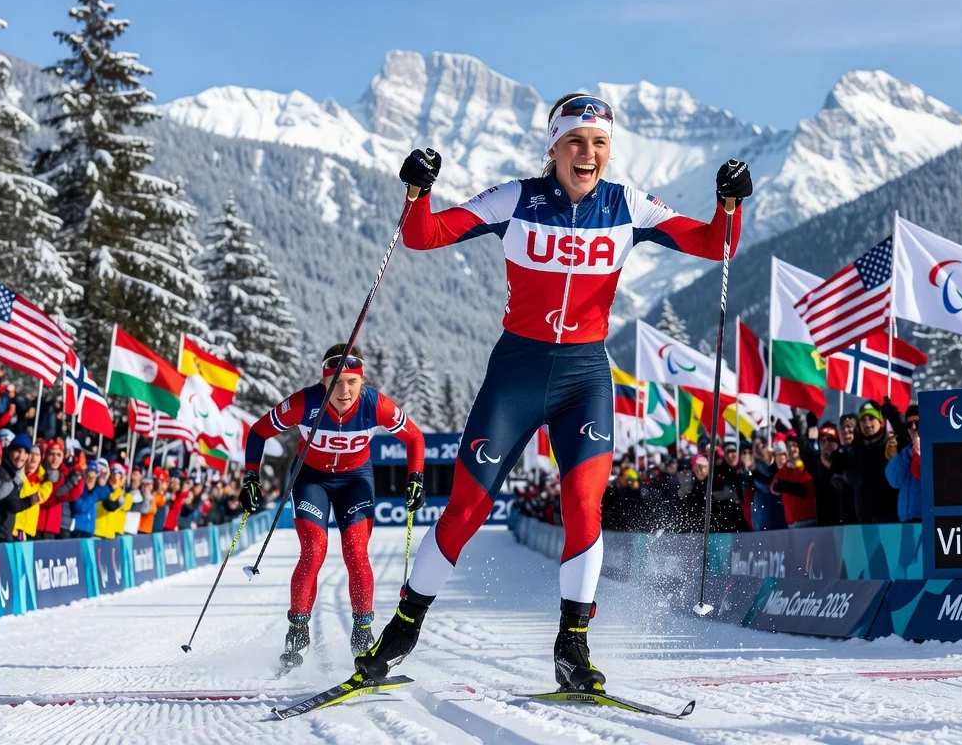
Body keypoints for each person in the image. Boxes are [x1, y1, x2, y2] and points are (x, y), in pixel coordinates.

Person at [353, 93, 755, 693]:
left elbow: (714, 244)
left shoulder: (628, 205)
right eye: (574, 142)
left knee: (584, 508)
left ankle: (573, 646)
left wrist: (729, 204)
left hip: (585, 377)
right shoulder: (517, 198)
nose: (586, 154)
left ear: (608, 153)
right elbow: (425, 236)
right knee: (466, 508)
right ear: (554, 148)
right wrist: (418, 193)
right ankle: (405, 627)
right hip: (517, 372)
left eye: (597, 145)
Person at [241, 343, 426, 670]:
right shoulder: (305, 402)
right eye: (337, 382)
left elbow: (414, 438)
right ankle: (297, 632)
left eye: (352, 382)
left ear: (362, 381)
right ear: (324, 381)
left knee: (356, 551)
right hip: (312, 480)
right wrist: (250, 479)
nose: (344, 391)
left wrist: (416, 477)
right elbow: (258, 432)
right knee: (314, 549)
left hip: (356, 481)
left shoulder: (375, 404)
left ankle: (362, 633)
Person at [0, 434, 32, 544]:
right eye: (18, 451)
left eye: (25, 452)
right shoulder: (2, 470)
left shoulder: (13, 472)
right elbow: (13, 504)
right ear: (9, 451)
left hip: (3, 532)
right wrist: (32, 500)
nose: (21, 456)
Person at [886, 406, 923, 523]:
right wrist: (909, 454)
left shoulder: (936, 448)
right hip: (907, 519)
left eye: (917, 423)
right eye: (909, 424)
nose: (913, 428)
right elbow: (894, 480)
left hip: (929, 517)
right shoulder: (906, 452)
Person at [770, 440, 816, 528]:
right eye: (788, 447)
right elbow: (773, 487)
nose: (791, 449)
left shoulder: (806, 466)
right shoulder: (786, 468)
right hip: (791, 522)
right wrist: (787, 467)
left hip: (807, 520)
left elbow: (804, 490)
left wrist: (785, 486)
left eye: (795, 446)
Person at [12, 445, 52, 540]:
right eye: (31, 454)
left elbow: (39, 496)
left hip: (28, 530)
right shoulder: (15, 473)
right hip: (13, 528)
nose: (34, 458)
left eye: (37, 454)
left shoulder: (44, 482)